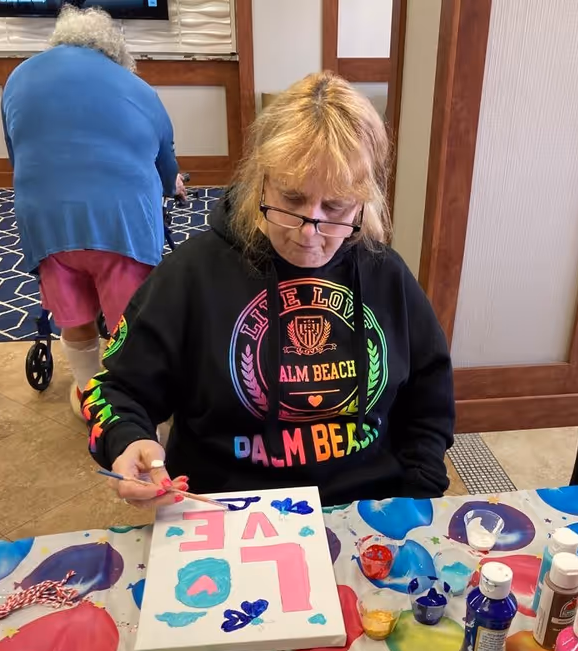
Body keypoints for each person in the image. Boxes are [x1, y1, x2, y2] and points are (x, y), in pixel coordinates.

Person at [83, 71, 455, 508]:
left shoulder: (385, 274)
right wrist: (127, 440)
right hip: (227, 511)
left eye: (334, 206)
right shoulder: (191, 274)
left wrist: (420, 484)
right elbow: (114, 388)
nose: (307, 231)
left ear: (365, 200)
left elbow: (429, 389)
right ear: (261, 179)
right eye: (291, 199)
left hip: (366, 508)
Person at [2, 5, 185, 415]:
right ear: (114, 51)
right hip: (122, 227)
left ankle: (89, 392)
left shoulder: (16, 79)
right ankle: (135, 405)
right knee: (129, 322)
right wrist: (173, 182)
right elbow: (166, 161)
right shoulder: (136, 87)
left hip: (47, 224)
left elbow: (18, 155)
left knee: (73, 313)